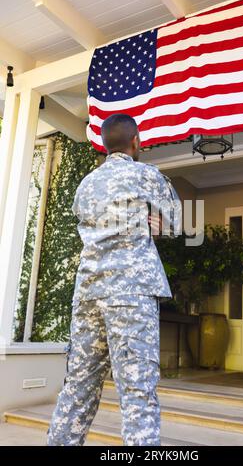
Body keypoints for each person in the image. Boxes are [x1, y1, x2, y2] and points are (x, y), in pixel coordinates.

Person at [47, 113, 181, 446]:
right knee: (137, 392)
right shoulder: (146, 175)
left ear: (105, 145)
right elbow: (180, 222)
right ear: (136, 142)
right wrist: (153, 224)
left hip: (90, 292)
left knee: (78, 387)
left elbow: (87, 225)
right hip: (131, 293)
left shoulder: (86, 184)